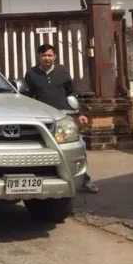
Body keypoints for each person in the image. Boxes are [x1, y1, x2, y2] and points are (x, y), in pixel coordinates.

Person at [24, 43, 99, 193]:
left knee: (78, 147)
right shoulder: (31, 74)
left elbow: (71, 94)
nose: (47, 58)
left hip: (64, 116)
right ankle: (43, 179)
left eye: (50, 55)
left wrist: (79, 114)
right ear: (39, 57)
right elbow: (28, 98)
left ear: (55, 56)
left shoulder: (63, 72)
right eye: (44, 55)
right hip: (42, 119)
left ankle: (84, 179)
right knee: (45, 150)